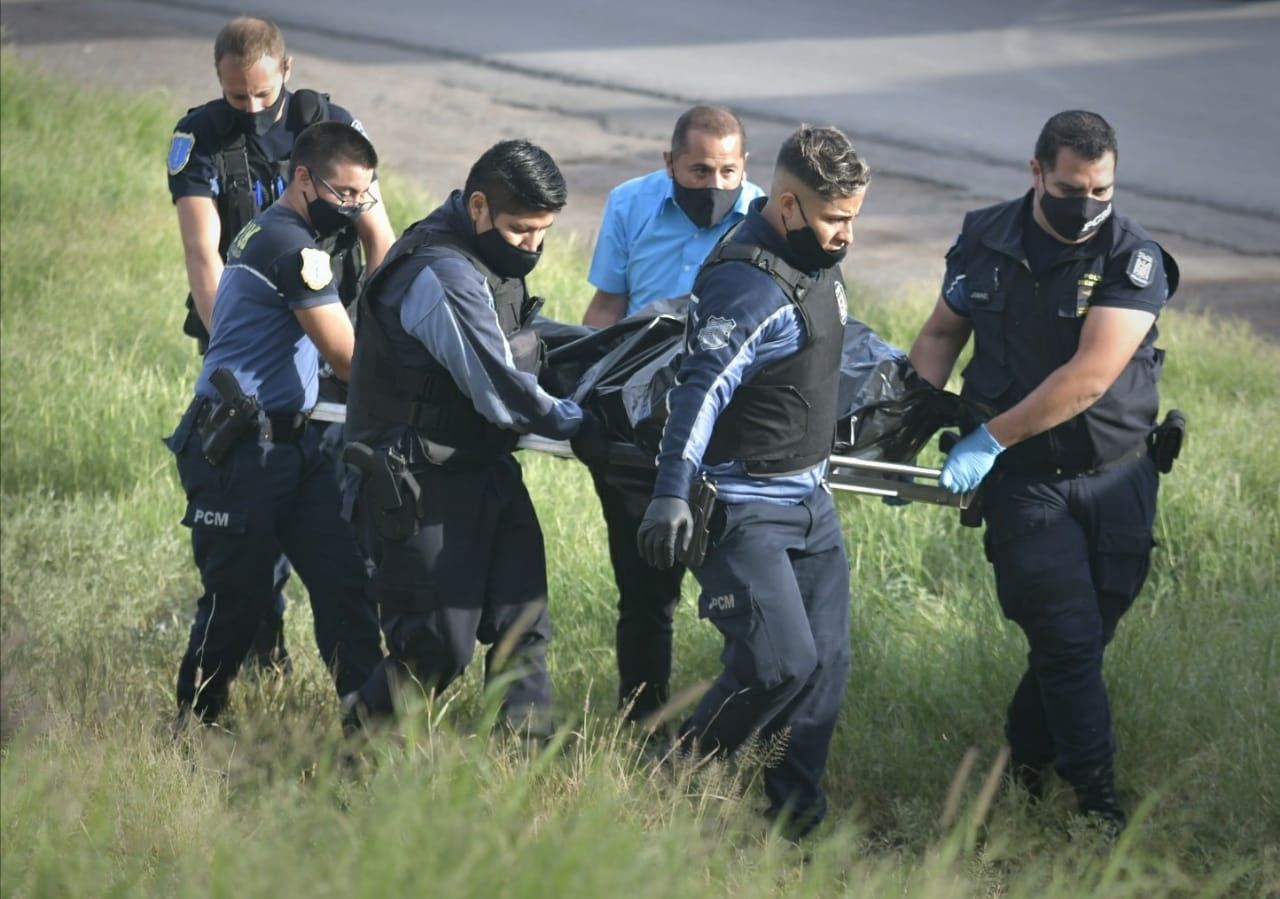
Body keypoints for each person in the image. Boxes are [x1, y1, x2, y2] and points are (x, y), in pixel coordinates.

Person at [908, 110, 1179, 830]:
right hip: (1025, 482)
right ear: (1036, 173)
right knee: (1066, 637)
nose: (1086, 205)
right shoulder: (985, 239)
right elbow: (940, 334)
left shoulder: (1132, 257)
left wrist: (985, 439)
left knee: (1083, 641)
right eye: (1070, 189)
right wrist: (901, 432)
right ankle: (1098, 806)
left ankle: (1024, 762)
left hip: (1118, 475)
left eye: (1102, 191)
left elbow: (1089, 378)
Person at [636, 125, 869, 839]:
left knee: (823, 670)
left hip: (811, 505)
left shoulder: (817, 260)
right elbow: (700, 389)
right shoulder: (746, 285)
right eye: (835, 219)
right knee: (777, 665)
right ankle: (670, 781)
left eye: (854, 217)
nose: (847, 234)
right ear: (789, 205)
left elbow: (825, 354)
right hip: (743, 511)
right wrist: (671, 490)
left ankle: (796, 825)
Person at [342, 139, 599, 736]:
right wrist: (585, 424)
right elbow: (499, 389)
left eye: (543, 232)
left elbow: (523, 337)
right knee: (435, 647)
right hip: (416, 481)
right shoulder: (441, 272)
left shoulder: (487, 258)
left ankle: (524, 770)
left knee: (524, 628)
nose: (532, 246)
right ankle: (349, 758)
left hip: (484, 468)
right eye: (521, 231)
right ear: (478, 206)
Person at [166, 16, 395, 669]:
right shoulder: (201, 137)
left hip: (332, 320)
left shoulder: (331, 127)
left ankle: (357, 688)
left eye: (263, 94)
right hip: (246, 331)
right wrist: (232, 347)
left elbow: (378, 237)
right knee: (249, 527)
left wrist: (375, 332)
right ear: (219, 82)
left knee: (328, 516)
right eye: (237, 95)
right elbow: (203, 253)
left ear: (287, 71)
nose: (251, 107)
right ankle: (261, 650)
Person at [581, 106, 765, 723]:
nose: (715, 185)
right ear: (669, 163)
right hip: (642, 427)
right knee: (645, 594)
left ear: (745, 167)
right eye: (699, 172)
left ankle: (734, 730)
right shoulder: (630, 205)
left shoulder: (769, 217)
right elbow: (607, 308)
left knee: (744, 598)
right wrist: (584, 395)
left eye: (728, 172)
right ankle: (644, 726)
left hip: (731, 428)